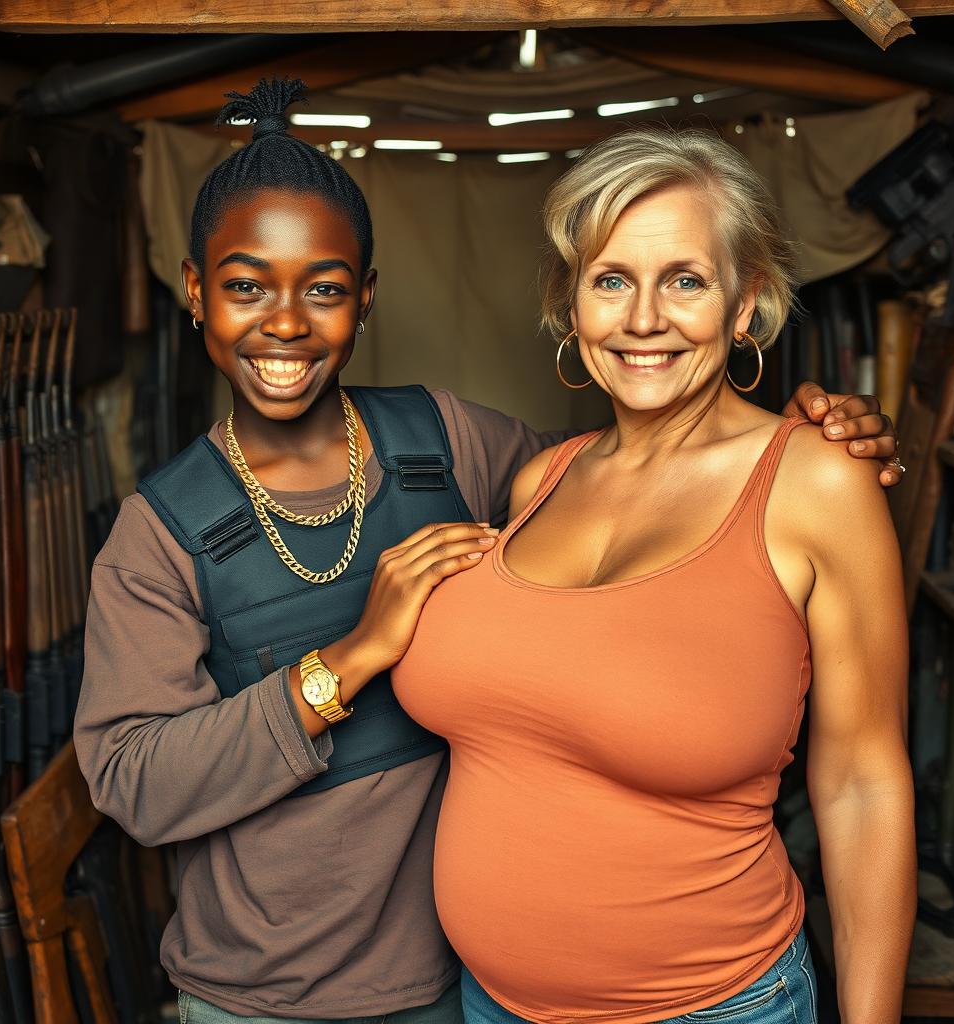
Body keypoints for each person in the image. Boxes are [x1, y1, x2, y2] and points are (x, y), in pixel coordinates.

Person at [75, 80, 902, 1024]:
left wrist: (828, 428)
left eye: (683, 278)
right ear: (195, 291)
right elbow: (132, 784)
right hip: (292, 995)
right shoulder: (166, 534)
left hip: (547, 991)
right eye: (244, 286)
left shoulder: (464, 450)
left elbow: (852, 761)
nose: (287, 322)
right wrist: (345, 662)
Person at [392, 126, 916, 1024]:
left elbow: (864, 784)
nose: (642, 319)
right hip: (493, 1004)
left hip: (714, 1005)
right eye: (610, 281)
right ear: (573, 306)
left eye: (685, 280)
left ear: (746, 304)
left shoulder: (816, 482)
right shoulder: (541, 479)